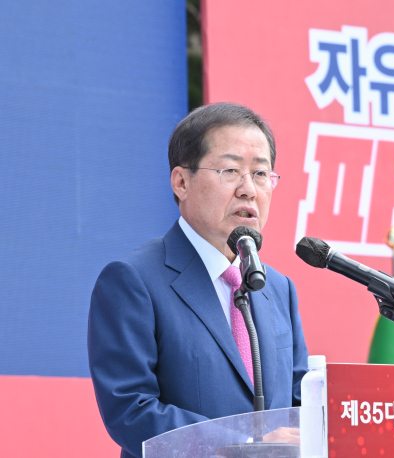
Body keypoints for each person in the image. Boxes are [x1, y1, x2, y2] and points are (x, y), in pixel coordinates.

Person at [88, 103, 308, 458]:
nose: (249, 190)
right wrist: (245, 448)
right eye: (230, 171)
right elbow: (130, 409)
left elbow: (300, 402)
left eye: (261, 173)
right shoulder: (134, 280)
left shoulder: (278, 288)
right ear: (181, 182)